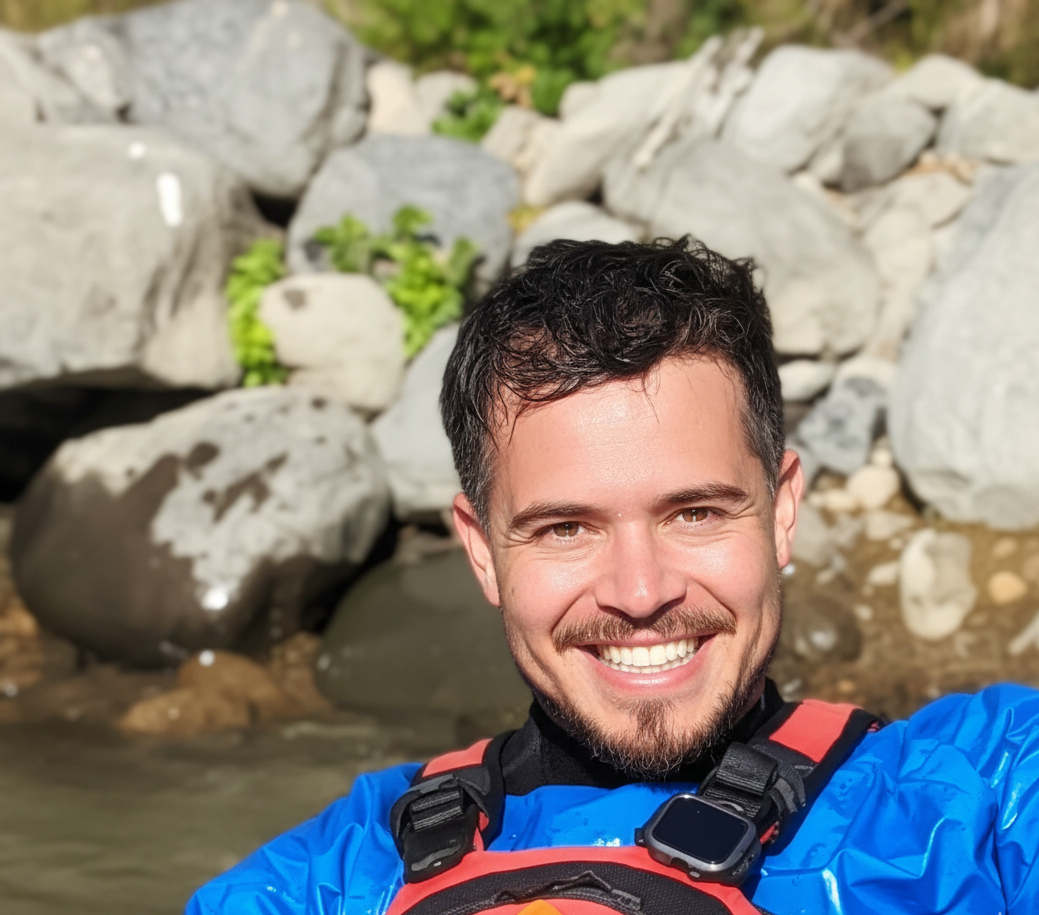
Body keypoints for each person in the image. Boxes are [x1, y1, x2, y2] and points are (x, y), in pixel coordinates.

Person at [188, 237, 1039, 915]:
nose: (639, 593)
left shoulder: (983, 787)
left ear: (782, 510)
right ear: (480, 550)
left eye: (694, 512)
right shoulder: (329, 880)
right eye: (565, 528)